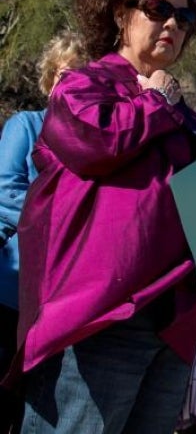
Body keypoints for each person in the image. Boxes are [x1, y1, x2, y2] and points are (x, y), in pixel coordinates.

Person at [13, 0, 196, 433]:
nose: (173, 24)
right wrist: (157, 104)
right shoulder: (85, 85)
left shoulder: (189, 117)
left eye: (184, 17)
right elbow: (94, 141)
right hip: (103, 313)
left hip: (176, 321)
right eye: (158, 9)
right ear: (122, 14)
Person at [0, 32, 87, 433]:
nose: (73, 86)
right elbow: (5, 192)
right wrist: (68, 225)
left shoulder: (93, 147)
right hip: (13, 288)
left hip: (62, 300)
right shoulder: (26, 125)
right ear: (50, 80)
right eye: (66, 75)